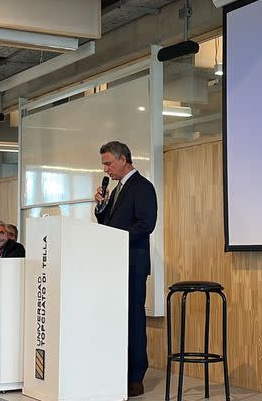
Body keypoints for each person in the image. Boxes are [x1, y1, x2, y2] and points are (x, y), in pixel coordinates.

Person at [93, 141, 157, 398]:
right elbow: (106, 223)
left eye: (108, 163)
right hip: (114, 264)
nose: (106, 169)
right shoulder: (117, 189)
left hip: (133, 264)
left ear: (123, 160)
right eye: (104, 164)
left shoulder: (142, 187)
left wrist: (115, 237)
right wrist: (100, 207)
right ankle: (116, 370)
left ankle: (136, 377)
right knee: (116, 320)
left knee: (133, 319)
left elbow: (145, 225)